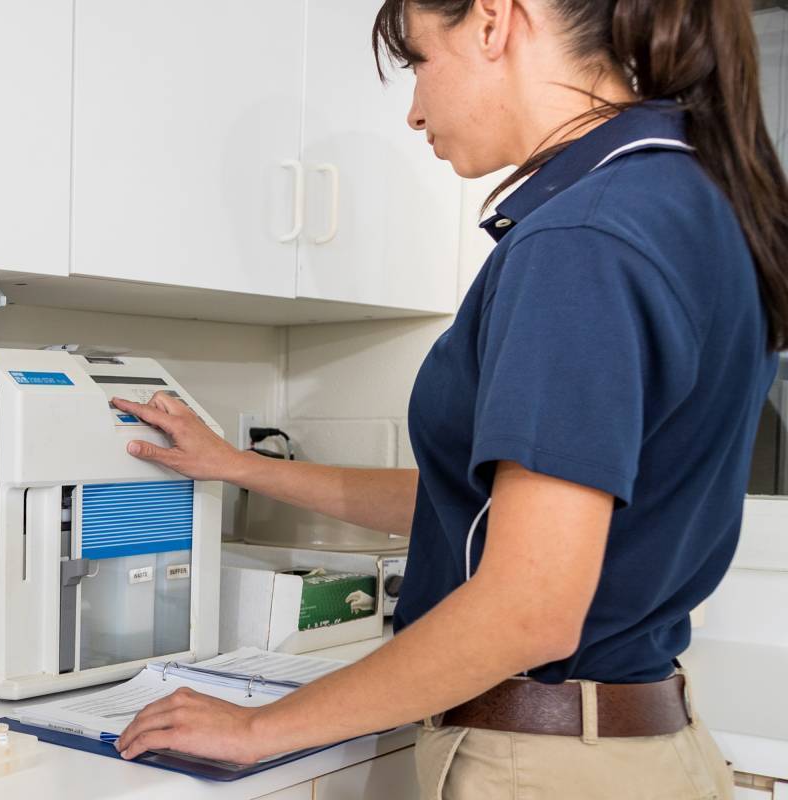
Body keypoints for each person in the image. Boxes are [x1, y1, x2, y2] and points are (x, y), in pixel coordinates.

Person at [109, 0, 788, 797]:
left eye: (421, 62)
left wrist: (257, 728)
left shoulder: (581, 241)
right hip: (637, 750)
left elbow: (530, 605)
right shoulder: (683, 202)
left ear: (497, 21)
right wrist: (240, 468)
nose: (414, 109)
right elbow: (479, 512)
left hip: (543, 766)